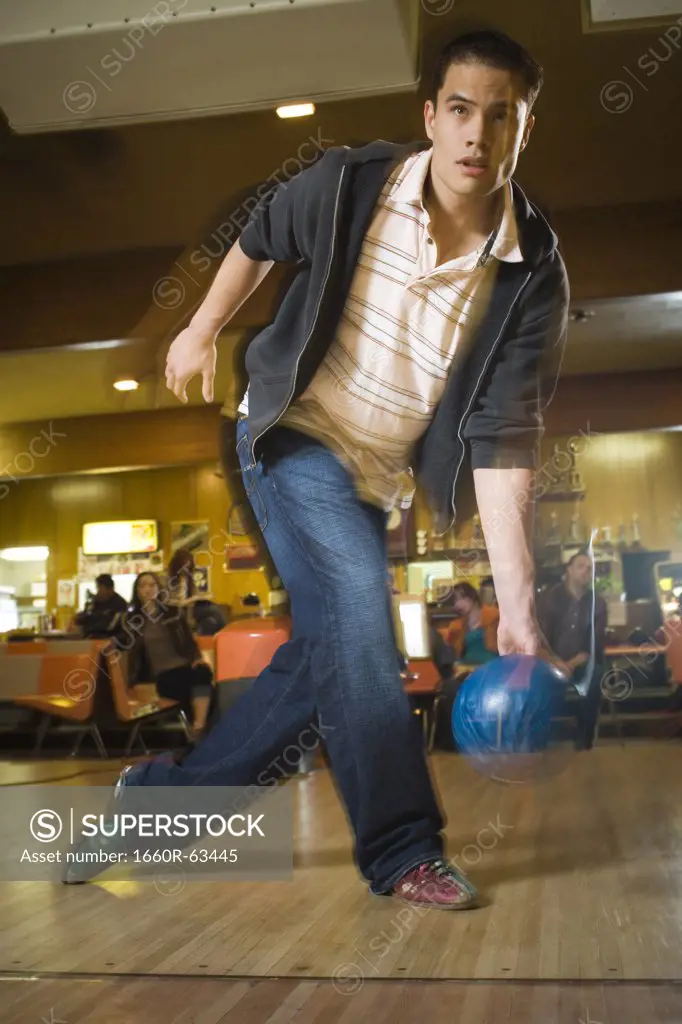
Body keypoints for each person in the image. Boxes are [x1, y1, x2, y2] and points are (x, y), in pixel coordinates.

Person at [66, 30, 569, 907]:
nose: (476, 137)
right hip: (292, 437)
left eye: (501, 116)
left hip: (374, 481)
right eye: (459, 111)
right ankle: (403, 848)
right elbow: (260, 234)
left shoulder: (533, 274)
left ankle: (147, 812)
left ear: (527, 127)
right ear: (431, 116)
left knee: (329, 652)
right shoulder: (350, 184)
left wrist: (519, 611)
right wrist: (201, 328)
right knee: (361, 621)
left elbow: (502, 439)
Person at [124, 572, 216, 740]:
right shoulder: (132, 620)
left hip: (183, 667)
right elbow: (129, 652)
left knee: (203, 673)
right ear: (137, 591)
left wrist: (196, 658)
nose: (147, 589)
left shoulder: (173, 613)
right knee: (194, 686)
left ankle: (198, 726)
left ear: (159, 588)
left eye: (152, 585)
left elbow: (188, 640)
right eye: (142, 585)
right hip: (159, 675)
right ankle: (198, 731)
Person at [537, 550, 607, 750]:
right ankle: (539, 740)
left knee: (593, 679)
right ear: (568, 570)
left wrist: (570, 665)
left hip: (582, 662)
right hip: (549, 660)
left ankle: (584, 741)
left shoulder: (598, 603)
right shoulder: (550, 598)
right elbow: (541, 637)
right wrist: (556, 662)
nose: (586, 571)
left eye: (590, 568)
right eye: (581, 566)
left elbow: (594, 643)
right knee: (534, 680)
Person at [447, 582, 499, 665]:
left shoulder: (494, 615)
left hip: (492, 664)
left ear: (472, 596)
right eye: (455, 601)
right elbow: (452, 653)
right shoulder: (456, 626)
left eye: (462, 598)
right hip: (466, 666)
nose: (458, 604)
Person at [73, 573, 127, 639]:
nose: (98, 591)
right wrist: (77, 619)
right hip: (88, 639)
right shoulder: (95, 602)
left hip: (108, 640)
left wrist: (92, 629)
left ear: (109, 589)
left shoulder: (119, 603)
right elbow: (86, 617)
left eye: (99, 588)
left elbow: (111, 626)